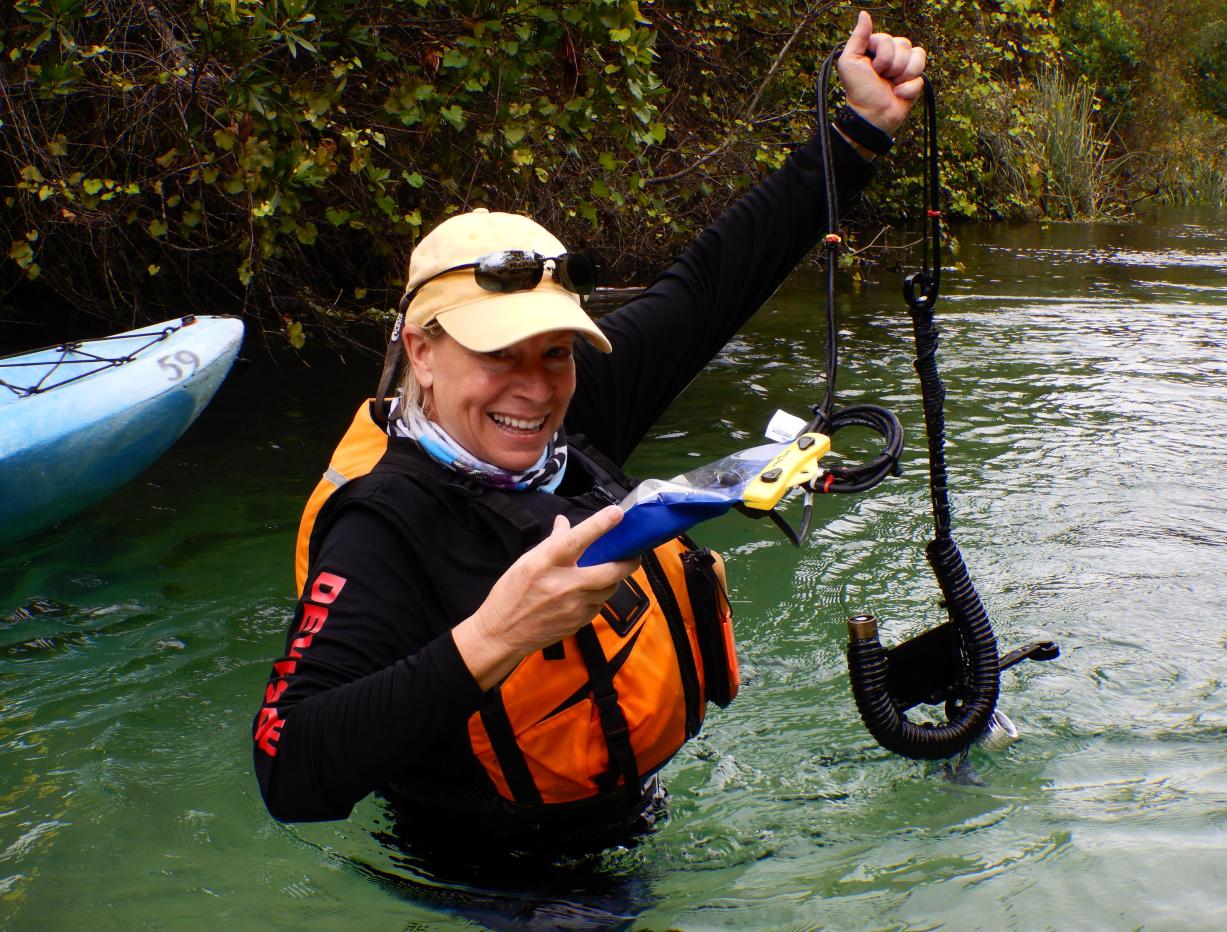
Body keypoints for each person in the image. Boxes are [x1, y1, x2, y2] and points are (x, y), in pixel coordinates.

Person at [253, 11, 926, 862]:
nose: (535, 390)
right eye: (499, 353)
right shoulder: (382, 524)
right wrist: (496, 635)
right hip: (504, 874)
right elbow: (288, 769)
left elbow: (711, 283)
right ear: (422, 352)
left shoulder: (570, 417)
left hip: (634, 804)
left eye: (557, 350)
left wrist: (859, 131)